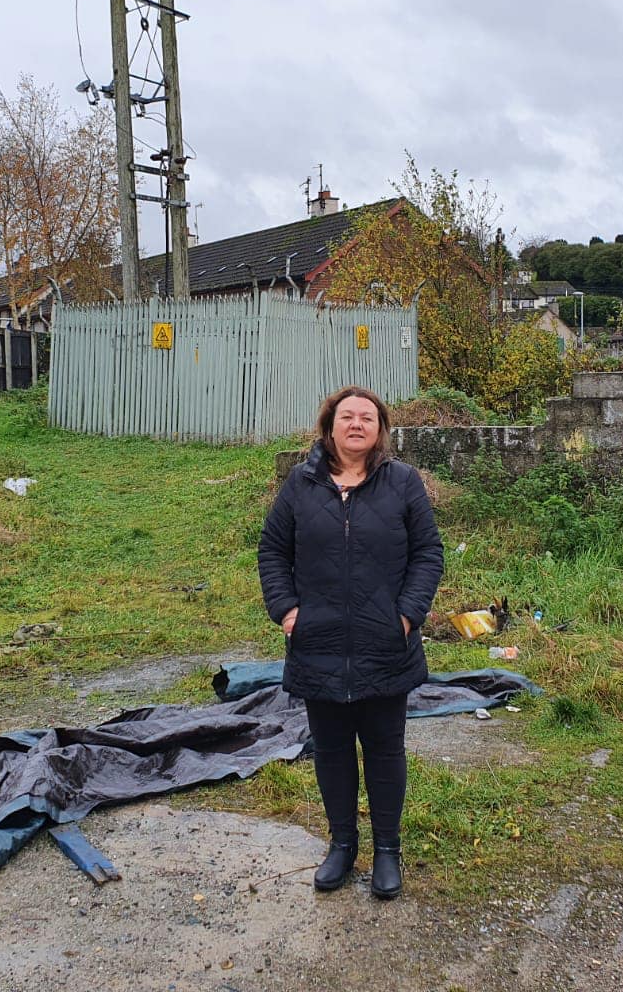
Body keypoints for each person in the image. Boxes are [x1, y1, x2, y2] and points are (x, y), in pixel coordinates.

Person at [257, 385, 444, 899]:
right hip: (318, 644)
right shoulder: (300, 484)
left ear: (381, 427)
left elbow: (429, 553)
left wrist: (406, 616)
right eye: (347, 417)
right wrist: (288, 611)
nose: (357, 424)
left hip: (386, 644)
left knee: (385, 750)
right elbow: (273, 551)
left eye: (368, 417)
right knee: (332, 750)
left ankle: (388, 851)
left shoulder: (402, 482)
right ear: (330, 426)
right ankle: (342, 845)